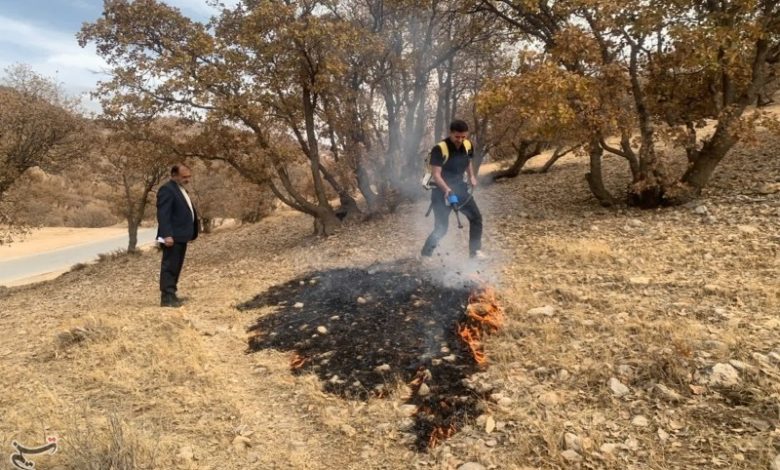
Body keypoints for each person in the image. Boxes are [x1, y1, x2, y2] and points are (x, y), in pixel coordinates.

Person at [421, 119, 484, 259]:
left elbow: (468, 162)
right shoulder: (439, 149)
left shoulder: (468, 145)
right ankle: (425, 255)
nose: (460, 140)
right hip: (440, 192)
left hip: (460, 189)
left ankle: (475, 252)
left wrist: (472, 176)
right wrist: (447, 190)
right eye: (457, 136)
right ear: (450, 133)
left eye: (463, 137)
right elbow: (436, 175)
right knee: (441, 228)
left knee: (476, 218)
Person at [156, 164, 198, 307]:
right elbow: (163, 215)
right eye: (184, 177)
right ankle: (166, 298)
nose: (187, 179)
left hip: (181, 236)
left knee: (176, 266)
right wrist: (167, 235)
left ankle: (172, 295)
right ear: (174, 175)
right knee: (169, 266)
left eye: (189, 176)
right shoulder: (167, 190)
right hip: (172, 237)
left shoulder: (180, 189)